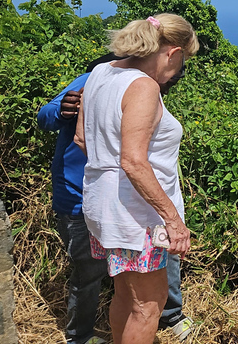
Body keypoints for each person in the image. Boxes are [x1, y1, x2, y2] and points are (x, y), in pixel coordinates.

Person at [38, 52, 193, 344]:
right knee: (120, 291)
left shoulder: (116, 81)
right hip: (102, 201)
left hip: (104, 199)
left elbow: (86, 141)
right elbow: (47, 117)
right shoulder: (116, 82)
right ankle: (79, 336)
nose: (171, 80)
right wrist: (63, 108)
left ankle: (170, 315)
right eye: (176, 71)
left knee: (132, 290)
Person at [73, 14, 199, 344]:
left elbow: (82, 139)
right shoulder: (142, 87)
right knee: (148, 306)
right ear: (172, 53)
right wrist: (173, 220)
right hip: (138, 217)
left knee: (126, 296)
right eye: (182, 64)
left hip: (103, 208)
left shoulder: (101, 72)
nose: (178, 74)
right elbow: (133, 161)